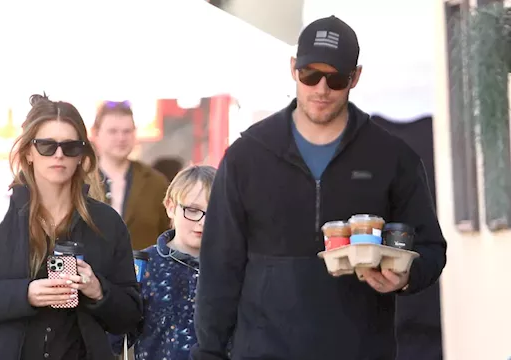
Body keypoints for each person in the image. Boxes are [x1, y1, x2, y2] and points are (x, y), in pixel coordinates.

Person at [191, 16, 447, 360]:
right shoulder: (247, 156)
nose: (321, 89)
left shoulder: (392, 157)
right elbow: (219, 266)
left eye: (336, 78)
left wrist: (405, 276)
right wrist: (208, 352)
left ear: (355, 77)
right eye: (311, 75)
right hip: (263, 351)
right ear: (294, 68)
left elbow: (431, 248)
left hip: (360, 350)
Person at [0, 94, 142, 359]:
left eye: (70, 147)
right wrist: (26, 294)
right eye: (47, 145)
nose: (59, 155)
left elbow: (130, 315)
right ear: (28, 152)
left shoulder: (106, 223)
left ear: (81, 154)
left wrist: (98, 290)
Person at [113, 165, 216, 360]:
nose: (202, 222)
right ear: (170, 207)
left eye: (214, 211)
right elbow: (115, 337)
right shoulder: (143, 266)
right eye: (193, 210)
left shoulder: (236, 268)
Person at [90, 101, 170, 250]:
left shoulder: (156, 183)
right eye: (113, 131)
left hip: (144, 270)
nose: (121, 138)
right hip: (88, 271)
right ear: (96, 134)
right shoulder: (79, 181)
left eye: (127, 131)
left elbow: (170, 235)